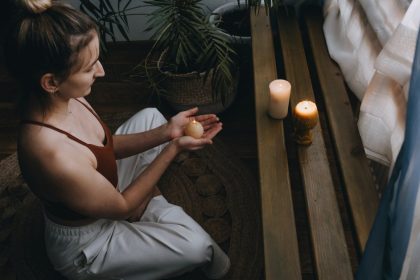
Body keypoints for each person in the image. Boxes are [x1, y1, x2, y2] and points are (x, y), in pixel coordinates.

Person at [3, 0, 230, 279]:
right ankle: (149, 210)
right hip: (90, 243)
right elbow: (122, 209)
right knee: (198, 247)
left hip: (102, 192)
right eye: (89, 67)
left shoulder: (68, 97)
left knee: (151, 117)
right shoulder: (52, 154)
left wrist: (166, 132)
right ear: (51, 82)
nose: (101, 71)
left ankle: (147, 207)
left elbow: (106, 146)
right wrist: (172, 148)